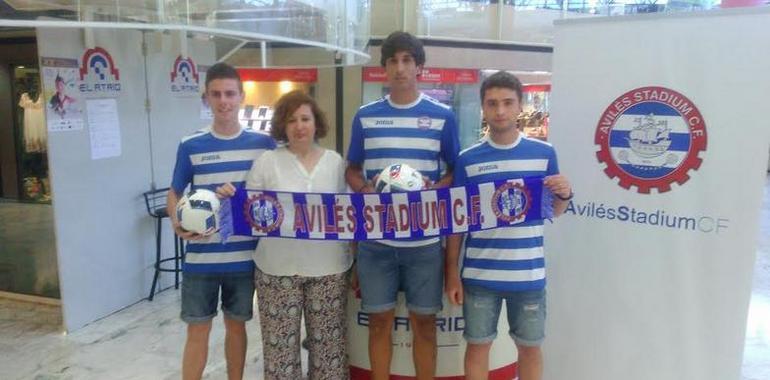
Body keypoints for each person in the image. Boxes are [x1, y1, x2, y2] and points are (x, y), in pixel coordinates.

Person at [345, 31, 461, 380]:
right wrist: (364, 187)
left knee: (424, 325)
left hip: (424, 244)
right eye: (393, 61)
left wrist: (435, 189)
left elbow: (457, 173)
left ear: (419, 67)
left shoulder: (442, 116)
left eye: (407, 60)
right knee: (379, 324)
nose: (400, 68)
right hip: (376, 243)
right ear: (383, 69)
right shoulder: (366, 116)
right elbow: (350, 169)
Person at [445, 71, 572, 380]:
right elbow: (457, 223)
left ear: (519, 106)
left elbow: (551, 210)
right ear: (483, 108)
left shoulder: (544, 153)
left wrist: (565, 195)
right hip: (479, 275)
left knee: (530, 348)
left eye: (507, 103)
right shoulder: (468, 159)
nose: (499, 111)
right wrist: (452, 273)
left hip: (527, 274)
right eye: (492, 104)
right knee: (477, 347)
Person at [217, 90, 352, 379]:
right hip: (276, 270)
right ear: (282, 125)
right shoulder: (267, 161)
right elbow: (250, 207)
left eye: (305, 118)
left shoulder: (335, 163)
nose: (299, 126)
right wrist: (232, 198)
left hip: (328, 270)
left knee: (329, 352)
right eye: (291, 120)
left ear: (316, 123)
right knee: (280, 354)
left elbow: (349, 211)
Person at [167, 62, 275, 380]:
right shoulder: (191, 145)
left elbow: (274, 193)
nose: (224, 100)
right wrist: (177, 223)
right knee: (197, 331)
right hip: (201, 258)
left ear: (241, 96)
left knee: (236, 327)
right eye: (216, 94)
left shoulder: (263, 144)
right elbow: (174, 192)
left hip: (244, 258)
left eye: (230, 93)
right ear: (206, 99)